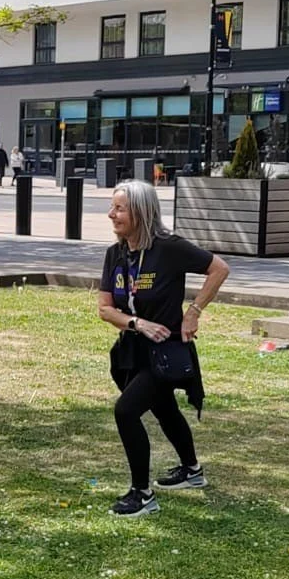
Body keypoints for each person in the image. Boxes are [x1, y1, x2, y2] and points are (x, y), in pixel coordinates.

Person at [97, 179, 230, 518]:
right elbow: (105, 309)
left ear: (141, 212)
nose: (111, 214)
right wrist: (136, 323)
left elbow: (219, 269)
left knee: (126, 411)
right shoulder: (116, 253)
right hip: (132, 351)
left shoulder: (168, 248)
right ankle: (191, 470)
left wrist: (193, 313)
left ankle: (142, 494)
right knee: (164, 409)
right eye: (113, 207)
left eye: (119, 208)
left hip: (165, 353)